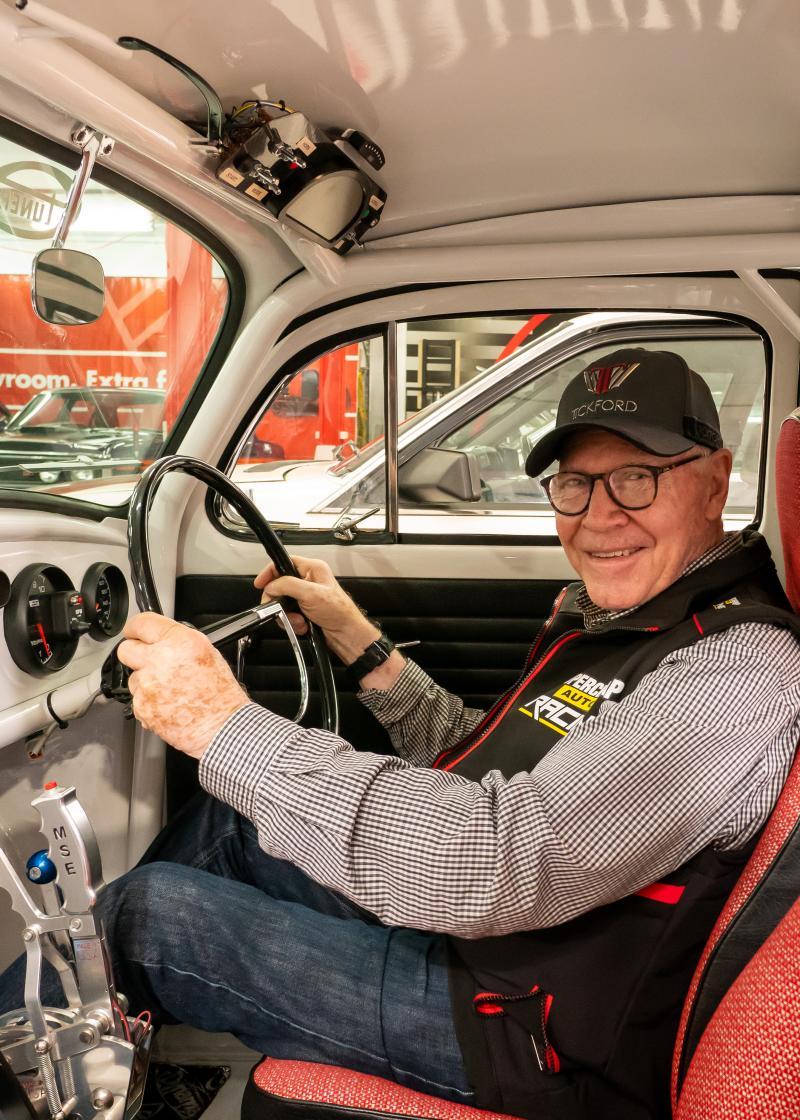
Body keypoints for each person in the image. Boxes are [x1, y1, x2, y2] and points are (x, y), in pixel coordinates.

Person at [3, 349, 800, 1120]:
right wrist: (360, 643)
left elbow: (499, 858)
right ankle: (100, 1047)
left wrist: (225, 726)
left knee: (144, 916)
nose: (599, 518)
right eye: (576, 484)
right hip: (501, 948)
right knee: (230, 823)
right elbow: (482, 758)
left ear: (716, 479)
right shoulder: (622, 617)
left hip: (535, 1031)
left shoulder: (733, 668)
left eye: (637, 478)